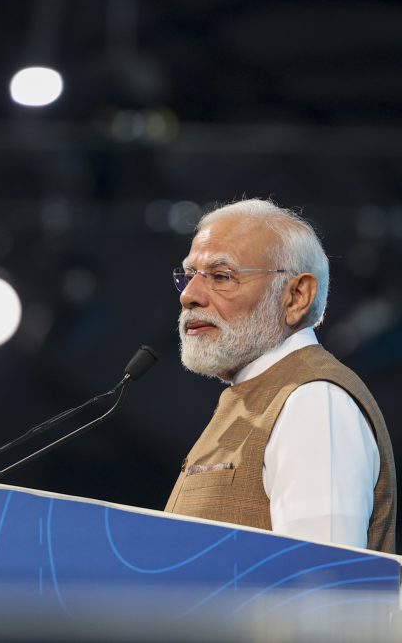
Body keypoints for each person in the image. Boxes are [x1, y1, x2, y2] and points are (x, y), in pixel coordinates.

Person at [165, 198, 396, 553]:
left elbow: (321, 588)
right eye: (190, 275)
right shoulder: (257, 394)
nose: (190, 296)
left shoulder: (315, 401)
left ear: (296, 297)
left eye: (221, 276)